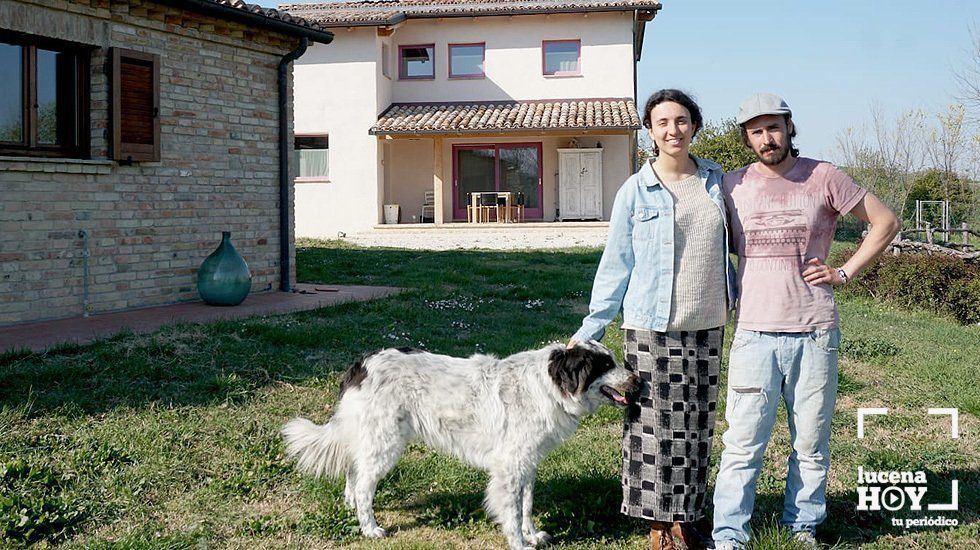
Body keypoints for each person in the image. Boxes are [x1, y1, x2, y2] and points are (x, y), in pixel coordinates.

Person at [711, 93, 901, 550]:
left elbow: (886, 222)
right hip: (753, 333)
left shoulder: (824, 176)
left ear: (789, 127)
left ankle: (801, 530)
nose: (766, 138)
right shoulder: (730, 186)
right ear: (746, 138)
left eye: (773, 127)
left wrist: (844, 271)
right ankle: (729, 536)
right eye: (756, 131)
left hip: (815, 331)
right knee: (741, 445)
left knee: (811, 444)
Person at [569, 89, 736, 550]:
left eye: (681, 120)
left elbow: (746, 239)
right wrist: (591, 328)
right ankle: (657, 524)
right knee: (650, 425)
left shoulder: (717, 182)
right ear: (650, 130)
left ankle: (687, 517)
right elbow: (616, 262)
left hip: (706, 322)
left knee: (697, 424)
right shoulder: (635, 190)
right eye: (662, 122)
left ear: (694, 125)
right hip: (649, 325)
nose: (673, 130)